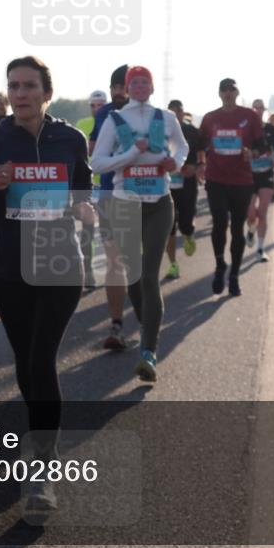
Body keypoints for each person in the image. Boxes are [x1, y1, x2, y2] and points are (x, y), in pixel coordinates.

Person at [0, 55, 92, 516]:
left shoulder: (70, 139)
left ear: (46, 92)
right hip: (9, 270)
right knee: (26, 362)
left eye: (29, 86)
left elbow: (82, 193)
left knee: (41, 360)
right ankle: (40, 436)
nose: (20, 94)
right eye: (13, 85)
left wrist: (87, 210)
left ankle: (42, 467)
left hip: (60, 266)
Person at [90, 66, 188, 382]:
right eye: (136, 82)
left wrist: (177, 162)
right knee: (133, 277)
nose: (141, 86)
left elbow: (182, 147)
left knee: (149, 276)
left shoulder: (166, 118)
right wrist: (132, 152)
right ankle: (149, 323)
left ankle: (148, 352)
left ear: (153, 86)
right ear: (128, 88)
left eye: (146, 81)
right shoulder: (115, 120)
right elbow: (97, 162)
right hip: (124, 205)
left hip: (160, 204)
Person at [199, 78, 264, 297]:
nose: (227, 94)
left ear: (237, 93)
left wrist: (252, 154)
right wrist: (200, 164)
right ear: (219, 94)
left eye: (231, 90)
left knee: (237, 229)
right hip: (216, 179)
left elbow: (262, 145)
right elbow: (200, 144)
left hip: (241, 181)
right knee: (219, 223)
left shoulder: (250, 117)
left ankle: (234, 276)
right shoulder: (210, 118)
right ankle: (220, 265)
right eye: (224, 90)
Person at [88, 66, 132, 349]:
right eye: (114, 86)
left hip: (144, 199)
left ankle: (148, 324)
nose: (117, 92)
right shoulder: (104, 115)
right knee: (116, 262)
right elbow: (93, 152)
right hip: (108, 196)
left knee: (139, 265)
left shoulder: (154, 117)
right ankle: (116, 325)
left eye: (123, 86)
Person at [163, 100, 205, 280]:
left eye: (178, 111)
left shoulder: (192, 131)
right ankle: (173, 264)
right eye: (171, 111)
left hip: (187, 182)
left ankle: (188, 233)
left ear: (182, 113)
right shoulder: (159, 131)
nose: (175, 115)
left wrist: (196, 168)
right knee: (169, 227)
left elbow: (202, 154)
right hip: (166, 185)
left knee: (185, 222)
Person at [75, 90, 108, 289]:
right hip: (88, 185)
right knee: (88, 229)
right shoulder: (82, 125)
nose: (96, 109)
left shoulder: (112, 121)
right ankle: (88, 270)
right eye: (93, 105)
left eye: (100, 105)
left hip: (108, 184)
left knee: (108, 229)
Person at [246, 132, 274, 262]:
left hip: (266, 176)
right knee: (251, 213)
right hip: (250, 176)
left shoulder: (269, 134)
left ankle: (260, 249)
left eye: (261, 109)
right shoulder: (246, 135)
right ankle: (251, 230)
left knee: (262, 213)